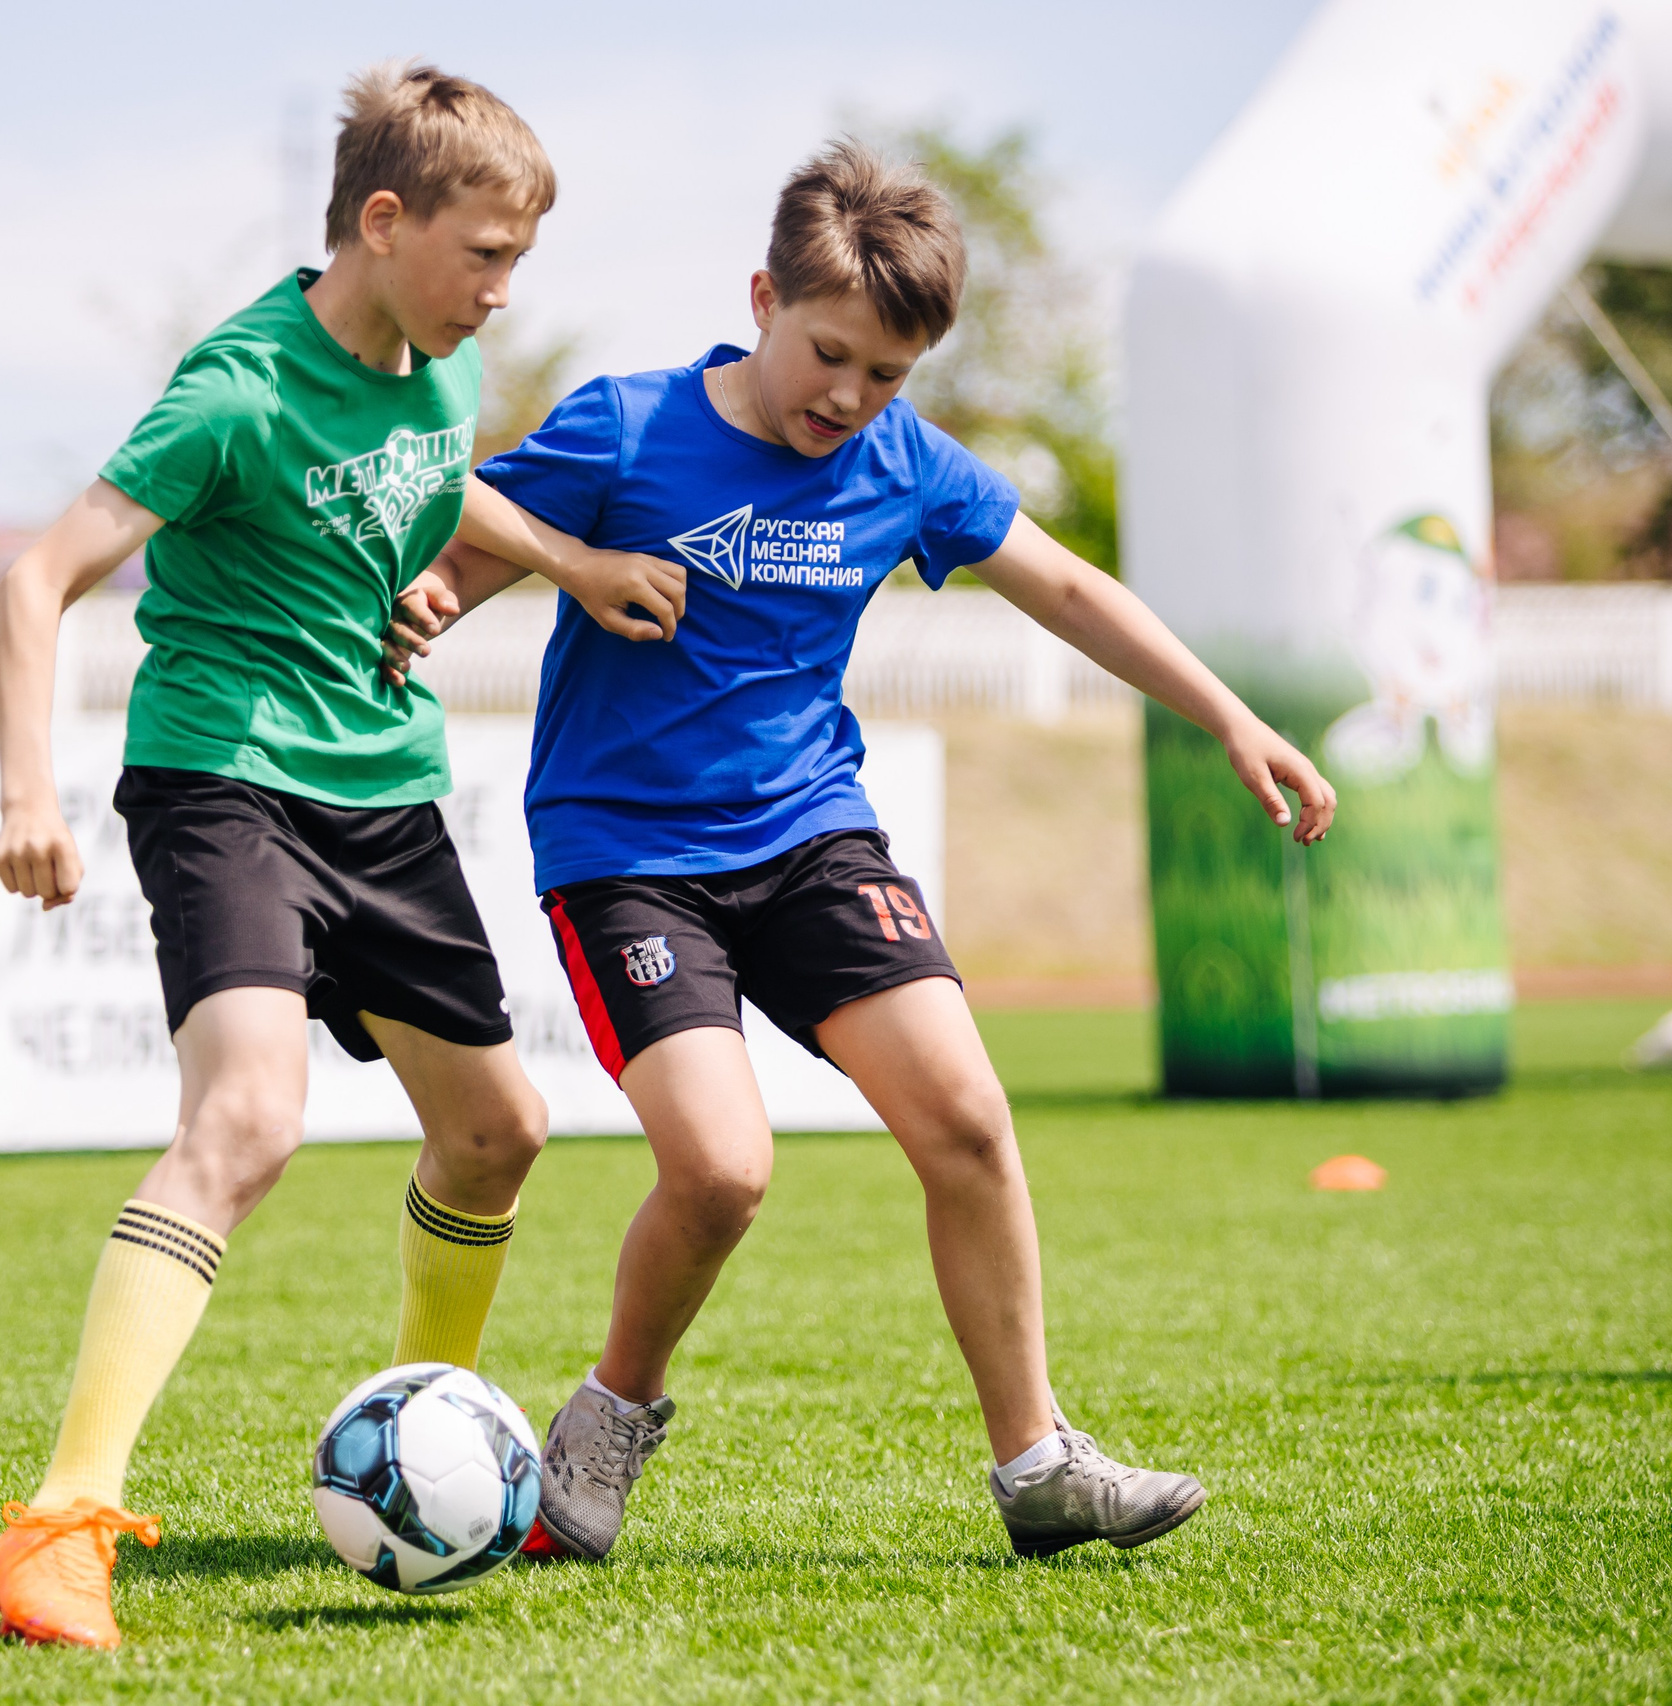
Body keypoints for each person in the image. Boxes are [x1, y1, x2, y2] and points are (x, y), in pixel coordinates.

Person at [383, 139, 1339, 1562]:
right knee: (723, 1169)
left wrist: (1231, 717)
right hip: (627, 855)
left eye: (886, 374)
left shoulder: (905, 463)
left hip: (814, 837)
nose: (848, 396)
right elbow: (475, 537)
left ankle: (1037, 1463)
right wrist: (424, 604)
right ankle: (607, 1416)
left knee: (968, 1119)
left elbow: (1068, 588)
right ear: (763, 298)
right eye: (829, 355)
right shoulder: (628, 428)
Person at [0, 62, 684, 1650]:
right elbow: (36, 581)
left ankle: (434, 1430)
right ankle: (59, 1522)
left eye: (520, 262)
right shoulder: (235, 390)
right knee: (247, 1118)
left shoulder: (440, 368)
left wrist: (569, 563)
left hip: (385, 791)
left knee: (496, 1130)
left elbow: (437, 480)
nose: (502, 294)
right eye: (484, 256)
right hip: (222, 778)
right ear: (382, 221)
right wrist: (26, 791)